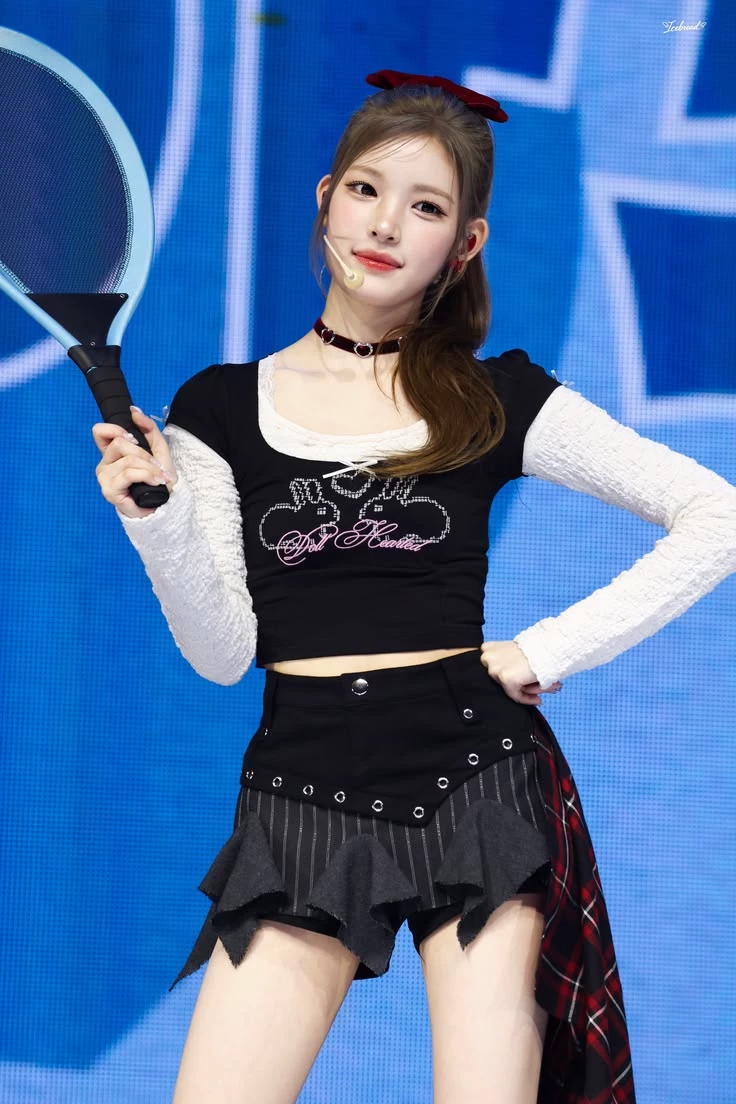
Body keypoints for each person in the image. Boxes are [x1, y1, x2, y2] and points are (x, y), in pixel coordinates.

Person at [92, 70, 736, 1104]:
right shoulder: (217, 408)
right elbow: (221, 656)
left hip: (475, 777)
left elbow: (718, 514)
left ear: (465, 243)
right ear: (325, 198)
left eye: (426, 207)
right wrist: (155, 519)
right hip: (300, 786)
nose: (386, 225)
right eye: (366, 190)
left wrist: (546, 650)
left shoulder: (495, 396)